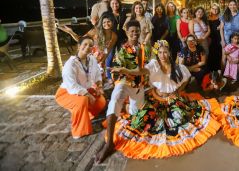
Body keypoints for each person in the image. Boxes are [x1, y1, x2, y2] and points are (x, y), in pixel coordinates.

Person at [99, 40, 222, 160]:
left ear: (169, 53)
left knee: (179, 119)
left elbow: (186, 79)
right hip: (155, 99)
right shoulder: (154, 65)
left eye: (165, 52)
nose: (163, 55)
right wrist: (125, 70)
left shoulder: (178, 67)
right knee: (141, 122)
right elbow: (140, 71)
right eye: (160, 52)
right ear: (157, 53)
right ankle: (126, 108)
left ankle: (130, 107)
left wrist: (178, 91)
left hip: (172, 100)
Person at [95, 20, 147, 163]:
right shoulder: (123, 48)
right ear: (127, 32)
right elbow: (117, 70)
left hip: (138, 85)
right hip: (124, 82)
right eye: (132, 31)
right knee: (115, 98)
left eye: (137, 31)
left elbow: (145, 69)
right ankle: (109, 143)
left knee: (136, 116)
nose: (135, 33)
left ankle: (127, 107)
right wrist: (120, 74)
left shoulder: (144, 48)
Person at [55, 36, 106, 139]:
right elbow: (71, 85)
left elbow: (97, 74)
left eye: (90, 45)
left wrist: (99, 86)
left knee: (101, 101)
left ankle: (86, 115)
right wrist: (87, 95)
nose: (88, 47)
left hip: (83, 89)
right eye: (85, 44)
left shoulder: (91, 59)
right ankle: (79, 131)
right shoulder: (70, 64)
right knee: (82, 101)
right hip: (66, 92)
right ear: (79, 46)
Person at [59, 13, 118, 84]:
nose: (106, 24)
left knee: (98, 83)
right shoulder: (95, 31)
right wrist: (70, 32)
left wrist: (101, 62)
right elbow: (80, 40)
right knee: (85, 80)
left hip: (100, 61)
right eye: (104, 22)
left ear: (112, 22)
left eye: (109, 21)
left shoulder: (114, 36)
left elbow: (107, 51)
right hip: (88, 58)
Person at [103, 0, 127, 82]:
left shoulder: (123, 13)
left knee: (122, 56)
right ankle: (109, 76)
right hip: (110, 38)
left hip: (122, 38)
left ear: (119, 4)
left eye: (116, 3)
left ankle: (122, 73)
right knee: (109, 56)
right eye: (112, 3)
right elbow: (102, 25)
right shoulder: (107, 14)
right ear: (110, 5)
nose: (114, 5)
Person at [207, 3, 222, 72]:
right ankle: (210, 71)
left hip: (218, 38)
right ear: (210, 9)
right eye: (213, 8)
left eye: (216, 9)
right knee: (210, 54)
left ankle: (217, 71)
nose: (215, 10)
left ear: (218, 10)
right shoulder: (207, 18)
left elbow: (224, 25)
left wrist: (221, 26)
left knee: (218, 54)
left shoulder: (221, 17)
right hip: (209, 38)